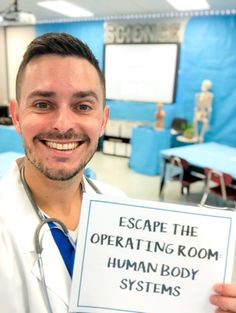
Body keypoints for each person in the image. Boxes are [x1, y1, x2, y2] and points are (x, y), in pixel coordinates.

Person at [0, 32, 235, 312]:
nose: (63, 124)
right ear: (15, 116)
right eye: (42, 104)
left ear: (103, 120)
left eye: (83, 106)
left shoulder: (118, 204)